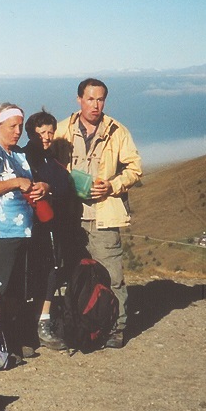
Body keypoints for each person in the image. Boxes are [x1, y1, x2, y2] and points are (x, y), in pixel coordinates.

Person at [52, 78, 142, 349]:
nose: (96, 104)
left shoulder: (117, 131)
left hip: (103, 214)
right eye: (90, 99)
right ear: (79, 99)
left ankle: (117, 326)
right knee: (71, 273)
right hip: (69, 215)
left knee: (111, 273)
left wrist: (112, 185)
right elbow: (50, 164)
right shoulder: (61, 130)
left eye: (101, 99)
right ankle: (77, 323)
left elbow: (135, 168)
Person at [0, 103, 49, 359]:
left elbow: (26, 183)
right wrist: (16, 182)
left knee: (16, 290)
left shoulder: (17, 154)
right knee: (1, 290)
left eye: (19, 125)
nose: (17, 131)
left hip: (21, 230)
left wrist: (40, 188)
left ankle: (13, 340)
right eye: (12, 126)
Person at [23, 109, 77, 351]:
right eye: (42, 132)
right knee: (35, 272)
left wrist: (50, 187)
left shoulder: (49, 159)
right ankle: (32, 323)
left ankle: (41, 320)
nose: (46, 136)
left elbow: (65, 184)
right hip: (31, 224)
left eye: (50, 132)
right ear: (30, 133)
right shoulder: (24, 157)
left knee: (51, 271)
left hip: (48, 224)